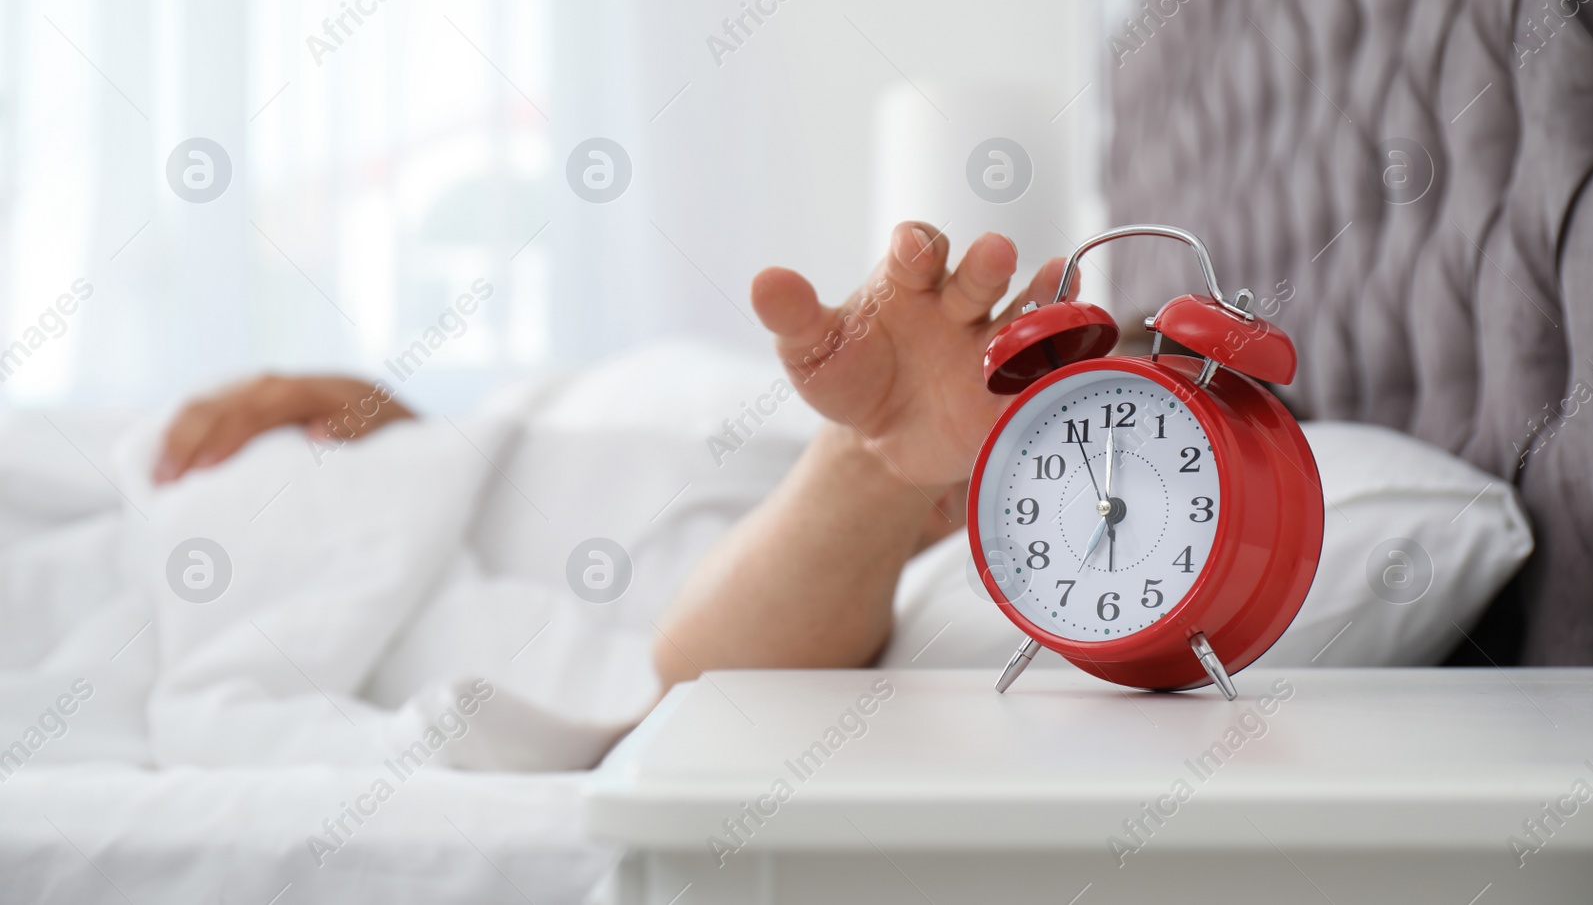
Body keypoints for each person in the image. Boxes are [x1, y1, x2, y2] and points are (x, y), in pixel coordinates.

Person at [151, 222, 1067, 689]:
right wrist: (388, 421)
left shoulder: (737, 549)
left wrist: (876, 462)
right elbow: (469, 489)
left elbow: (692, 671)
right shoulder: (683, 419)